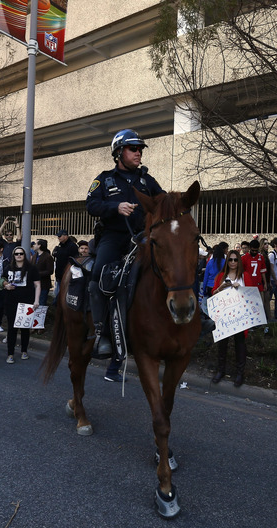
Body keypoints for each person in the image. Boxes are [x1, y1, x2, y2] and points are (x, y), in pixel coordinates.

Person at [85, 129, 165, 358]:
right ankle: (101, 333)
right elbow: (90, 205)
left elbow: (162, 201)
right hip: (114, 236)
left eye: (140, 149)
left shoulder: (147, 180)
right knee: (99, 272)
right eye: (133, 149)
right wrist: (115, 207)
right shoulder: (104, 178)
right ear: (119, 152)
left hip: (142, 237)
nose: (139, 152)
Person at [209, 250, 249, 387]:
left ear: (239, 261)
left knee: (240, 345)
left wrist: (241, 289)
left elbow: (252, 296)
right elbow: (213, 295)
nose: (233, 262)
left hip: (239, 317)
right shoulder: (221, 276)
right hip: (224, 317)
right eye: (230, 260)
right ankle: (220, 371)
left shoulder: (245, 276)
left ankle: (239, 374)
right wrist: (220, 288)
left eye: (235, 260)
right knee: (222, 345)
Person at [1, 246, 41, 364]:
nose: (19, 255)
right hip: (11, 302)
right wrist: (6, 285)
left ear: (25, 255)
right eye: (16, 254)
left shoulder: (32, 268)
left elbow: (38, 285)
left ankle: (24, 351)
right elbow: (2, 280)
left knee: (24, 328)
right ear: (13, 256)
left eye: (21, 254)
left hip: (26, 302)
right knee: (12, 329)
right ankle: (10, 353)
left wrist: (36, 300)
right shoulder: (8, 268)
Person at [51, 229, 78, 305]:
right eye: (58, 236)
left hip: (67, 275)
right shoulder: (60, 246)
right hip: (59, 275)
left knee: (62, 297)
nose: (58, 237)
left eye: (60, 236)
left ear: (66, 236)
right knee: (59, 296)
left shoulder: (72, 246)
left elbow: (74, 261)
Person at [34, 239, 54, 307]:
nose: (34, 245)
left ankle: (41, 317)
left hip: (44, 284)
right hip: (34, 284)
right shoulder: (35, 255)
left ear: (39, 246)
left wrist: (38, 274)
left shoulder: (48, 256)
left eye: (35, 244)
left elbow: (50, 271)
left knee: (41, 303)